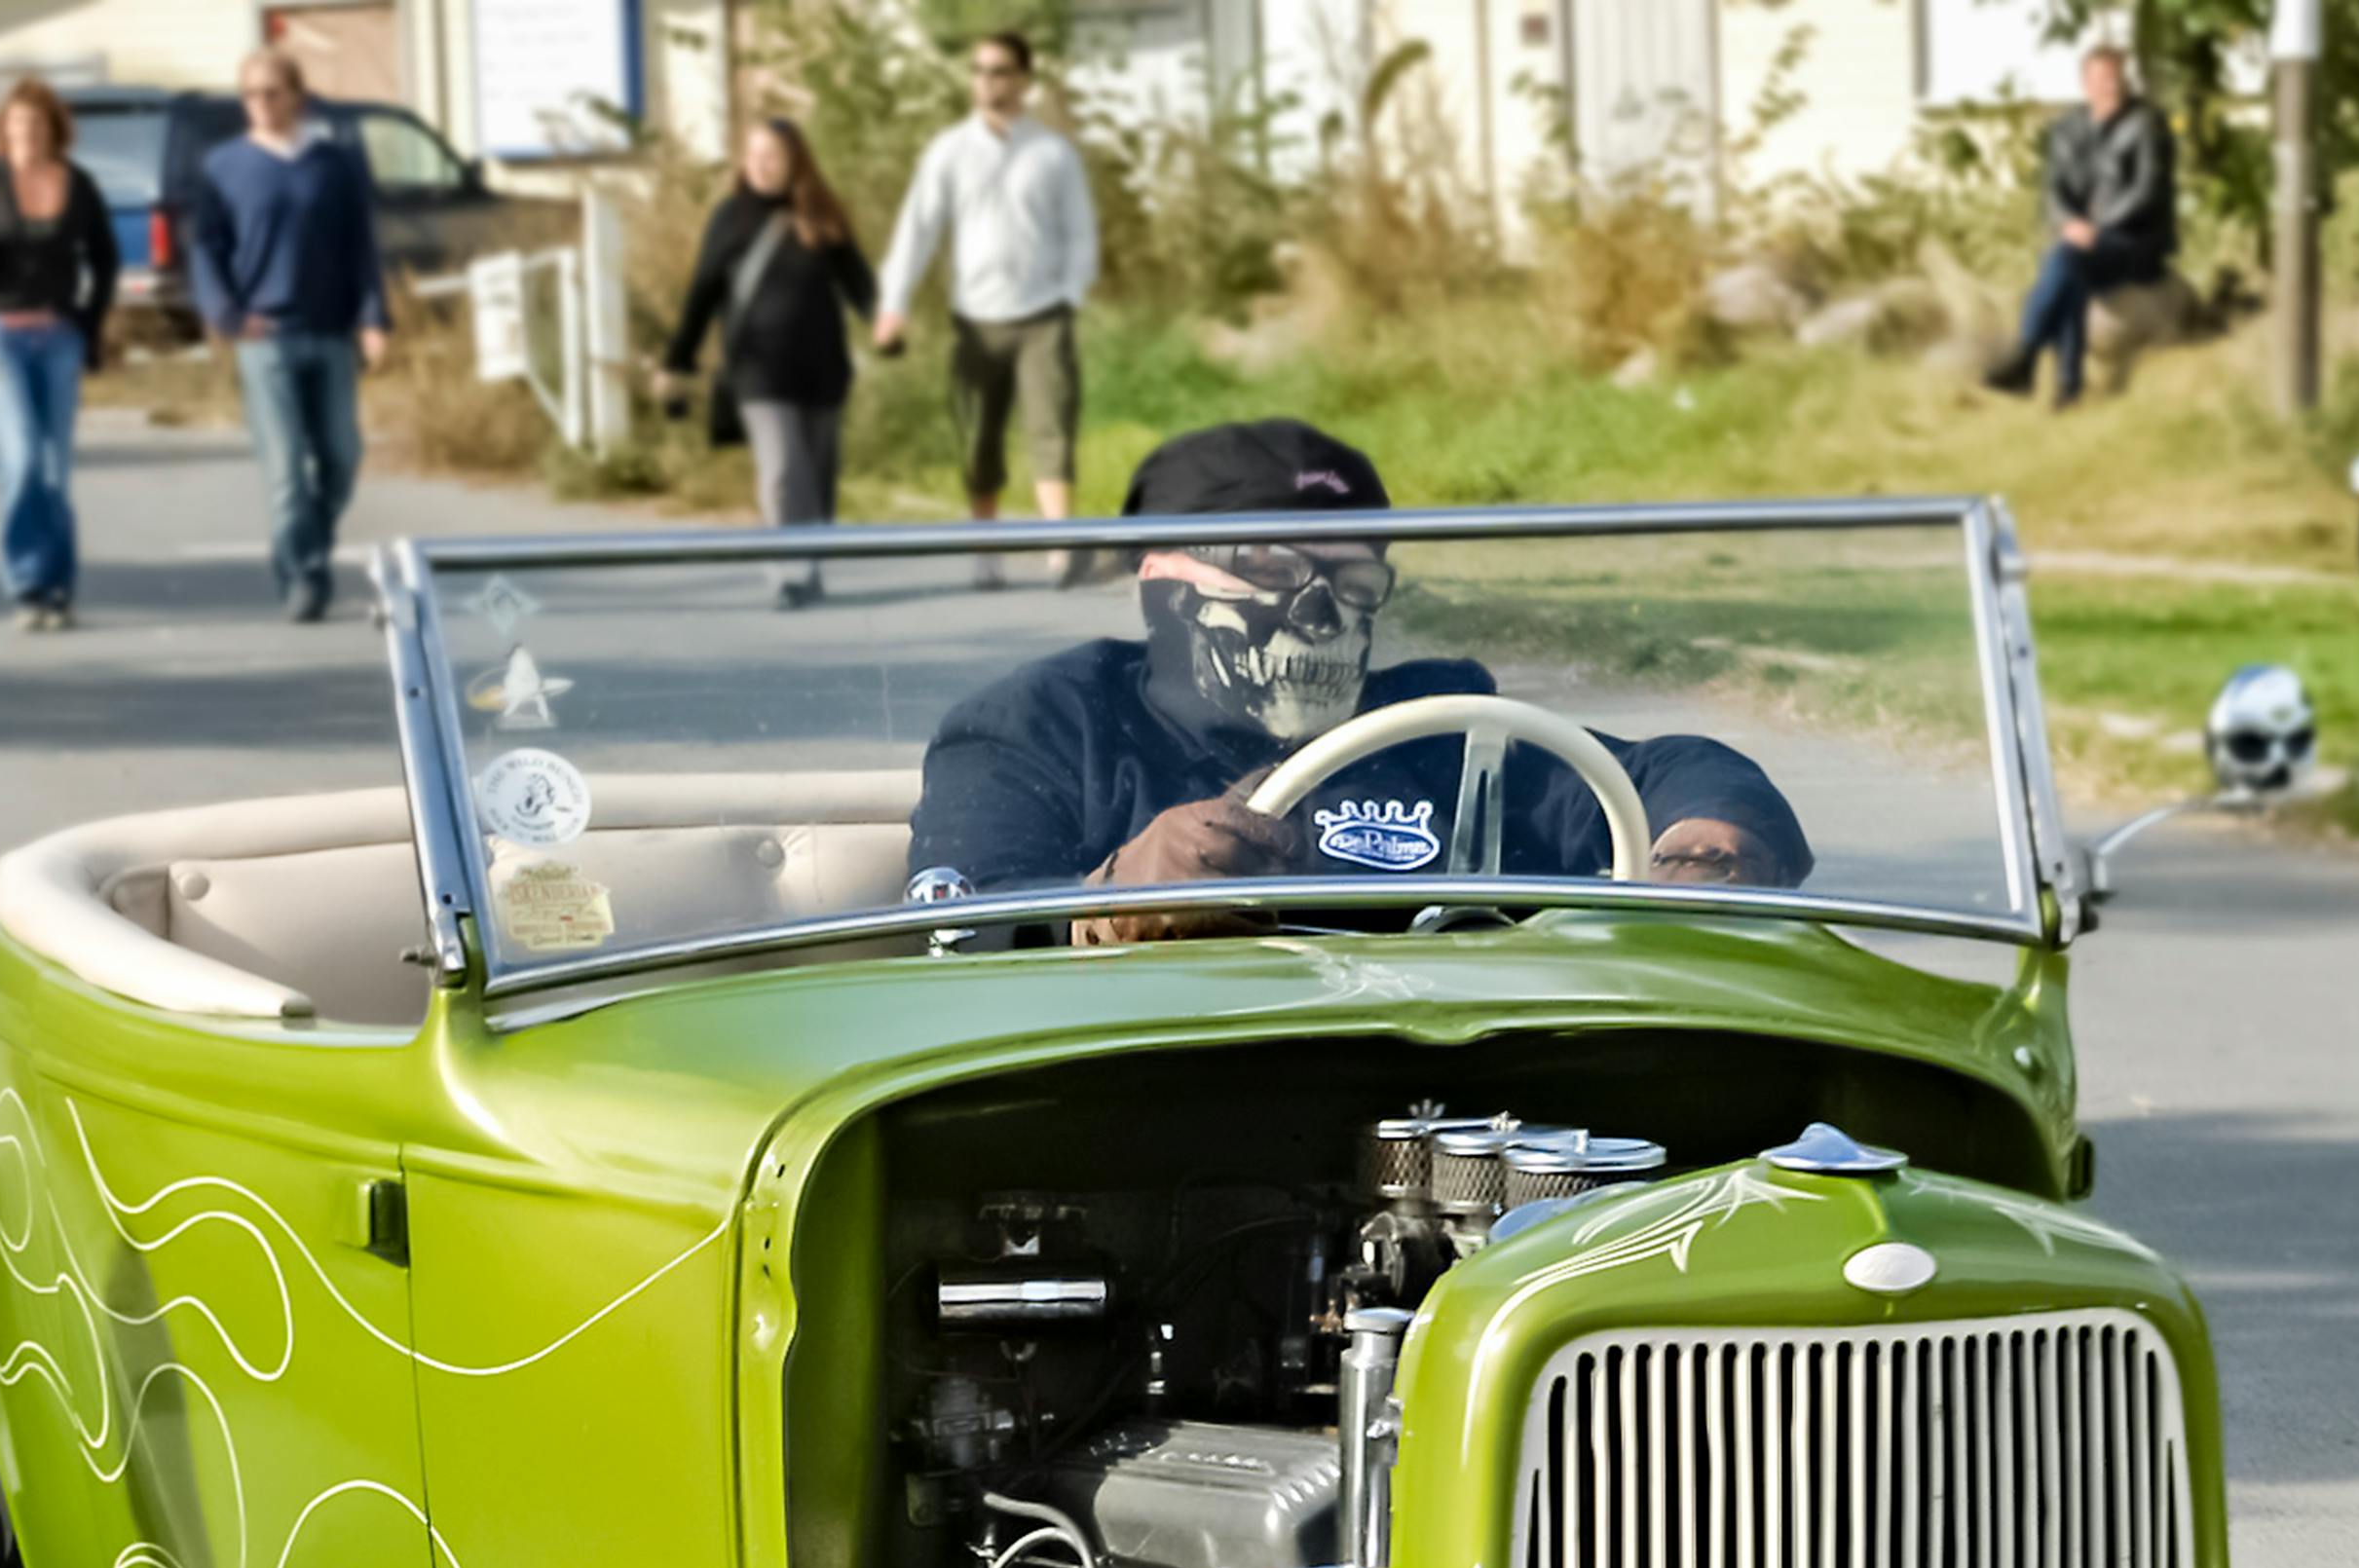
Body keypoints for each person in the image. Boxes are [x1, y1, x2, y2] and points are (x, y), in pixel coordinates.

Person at [903, 419, 1809, 945]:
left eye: (1353, 576)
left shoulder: (1442, 727)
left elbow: (1665, 768)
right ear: (1162, 580)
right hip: (1139, 1108)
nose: (1320, 608)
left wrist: (1709, 833)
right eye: (1269, 566)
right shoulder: (1047, 724)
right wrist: (1112, 897)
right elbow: (959, 926)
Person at [871, 31, 1098, 562]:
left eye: (999, 71)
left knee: (1053, 425)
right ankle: (986, 548)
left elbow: (1079, 230)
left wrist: (1070, 292)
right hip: (976, 317)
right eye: (979, 70)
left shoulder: (1052, 152)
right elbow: (918, 228)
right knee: (978, 434)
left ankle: (1059, 545)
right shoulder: (949, 151)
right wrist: (893, 303)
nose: (987, 81)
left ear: (1022, 79)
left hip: (1044, 313)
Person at [187, 46, 392, 623]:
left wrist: (374, 317)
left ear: (297, 96)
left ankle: (308, 547)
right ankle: (303, 576)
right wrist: (227, 314)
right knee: (284, 470)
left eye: (272, 92)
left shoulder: (332, 162)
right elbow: (206, 249)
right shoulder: (225, 167)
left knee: (341, 457)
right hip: (265, 337)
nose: (261, 103)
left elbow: (362, 248)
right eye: (250, 94)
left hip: (330, 332)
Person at [660, 120, 876, 612]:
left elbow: (858, 281)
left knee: (817, 476)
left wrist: (883, 322)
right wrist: (679, 361)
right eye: (752, 153)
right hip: (758, 373)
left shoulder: (821, 215)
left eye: (771, 155)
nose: (759, 163)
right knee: (781, 471)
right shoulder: (729, 218)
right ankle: (788, 574)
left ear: (795, 161)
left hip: (823, 369)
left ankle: (811, 563)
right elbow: (701, 294)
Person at [0, 78, 120, 633]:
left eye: (37, 124)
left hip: (59, 334)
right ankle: (27, 585)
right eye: (17, 123)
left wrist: (88, 324)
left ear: (54, 131)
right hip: (0, 334)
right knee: (19, 459)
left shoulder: (78, 184)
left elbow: (105, 258)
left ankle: (59, 586)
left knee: (53, 468)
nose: (27, 133)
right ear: (3, 128)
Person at [1986, 47, 2174, 408]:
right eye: (2102, 79)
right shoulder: (2067, 129)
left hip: (2135, 241)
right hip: (2084, 242)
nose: (2111, 86)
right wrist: (2071, 223)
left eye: (2117, 77)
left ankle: (2027, 360)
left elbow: (2146, 192)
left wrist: (2097, 227)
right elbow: (2053, 190)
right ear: (2085, 84)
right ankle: (2067, 388)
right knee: (2069, 265)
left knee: (2067, 260)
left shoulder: (2147, 125)